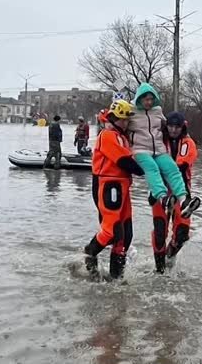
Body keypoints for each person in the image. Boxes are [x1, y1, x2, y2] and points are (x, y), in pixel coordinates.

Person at [83, 99, 144, 279]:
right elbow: (124, 161)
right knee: (112, 231)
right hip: (108, 185)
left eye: (127, 120)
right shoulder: (107, 135)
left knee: (126, 235)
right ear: (114, 118)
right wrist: (147, 170)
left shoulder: (122, 137)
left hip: (123, 186)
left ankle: (116, 276)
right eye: (122, 119)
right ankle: (89, 252)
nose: (125, 123)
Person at [128, 82, 193, 213]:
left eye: (151, 99)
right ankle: (162, 197)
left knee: (172, 168)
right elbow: (119, 121)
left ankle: (183, 199)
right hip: (140, 149)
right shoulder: (131, 111)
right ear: (139, 98)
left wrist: (184, 131)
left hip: (158, 149)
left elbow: (167, 123)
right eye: (146, 99)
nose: (149, 102)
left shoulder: (157, 111)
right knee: (152, 168)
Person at [149, 112, 199, 273]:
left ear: (182, 127)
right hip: (160, 191)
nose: (173, 130)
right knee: (159, 231)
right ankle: (159, 268)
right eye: (170, 126)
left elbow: (182, 165)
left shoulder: (188, 143)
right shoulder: (158, 142)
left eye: (177, 127)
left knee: (182, 232)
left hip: (181, 191)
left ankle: (170, 253)